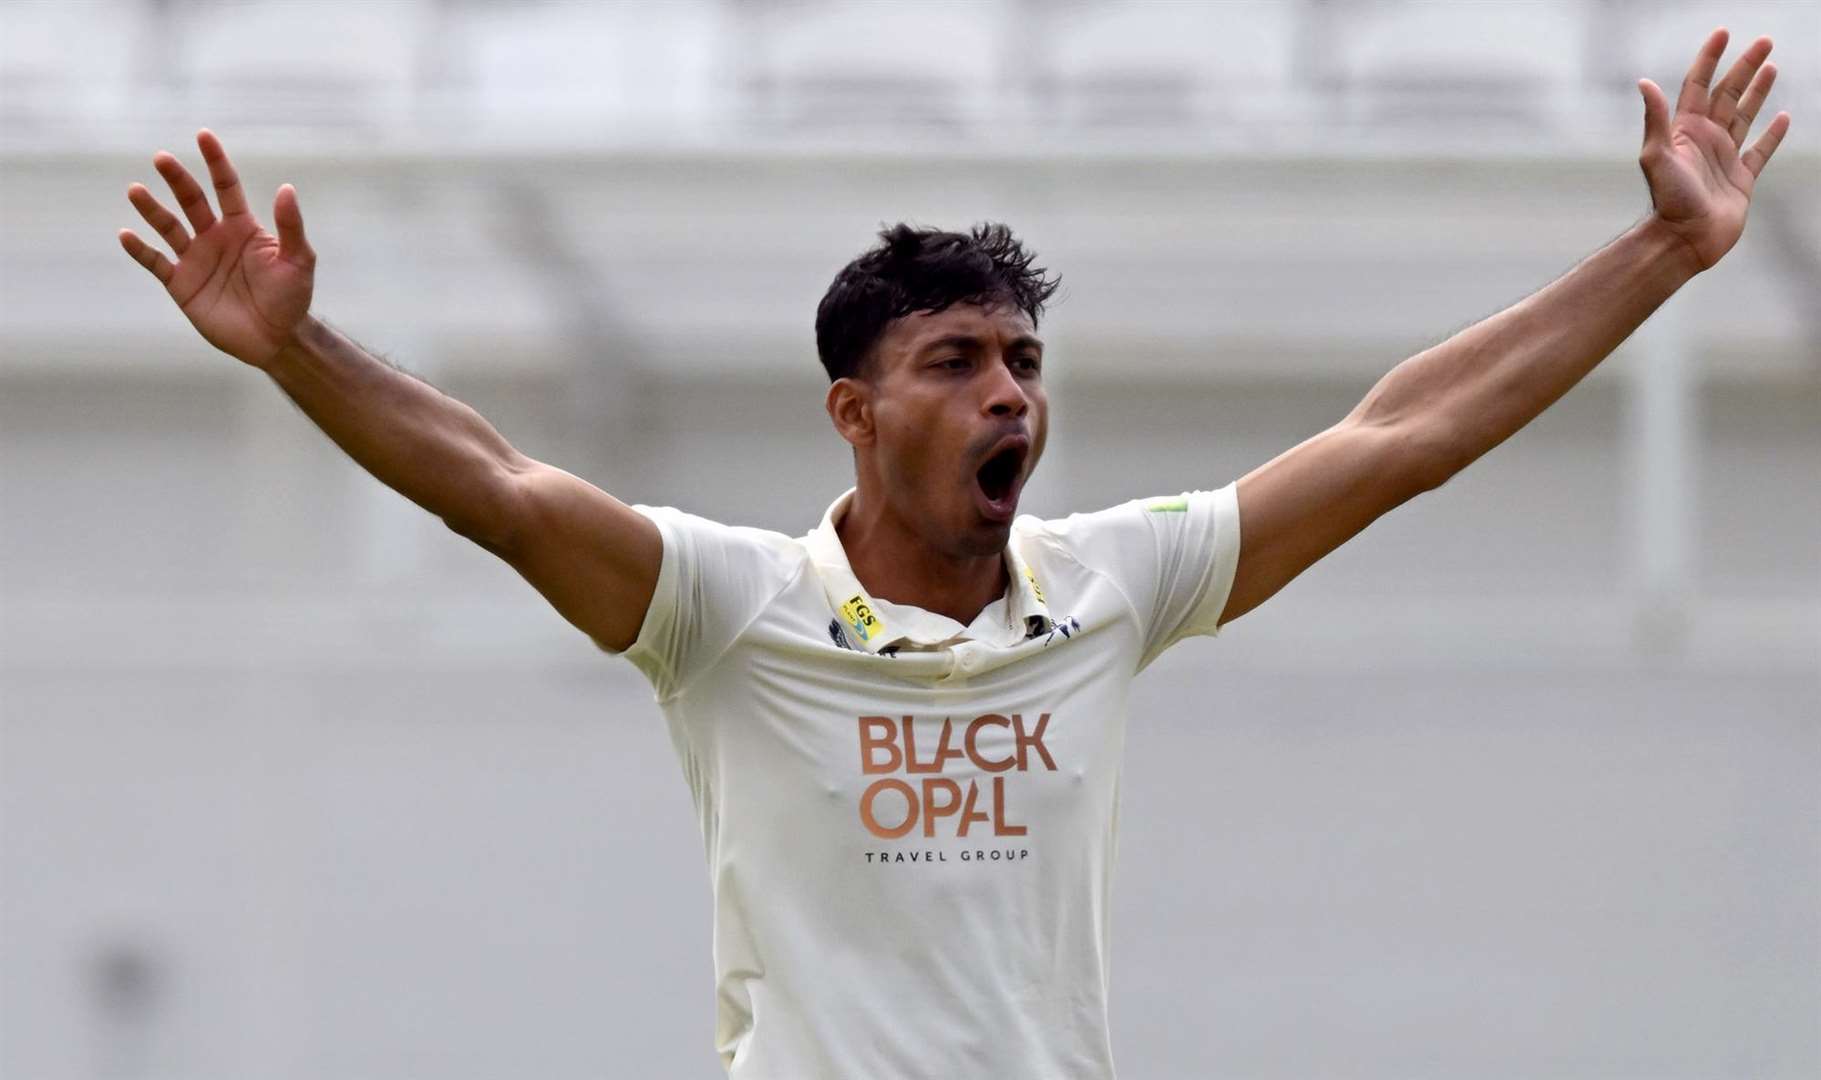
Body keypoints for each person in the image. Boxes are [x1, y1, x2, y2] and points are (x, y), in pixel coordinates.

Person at [117, 28, 1789, 1079]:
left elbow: (1396, 438)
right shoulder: (725, 608)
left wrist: (1660, 250)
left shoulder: (1107, 586)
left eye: (1024, 365)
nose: (1009, 396)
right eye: (956, 365)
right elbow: (495, 484)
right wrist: (297, 352)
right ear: (853, 412)